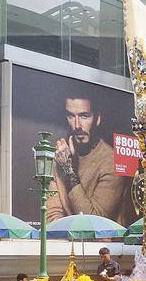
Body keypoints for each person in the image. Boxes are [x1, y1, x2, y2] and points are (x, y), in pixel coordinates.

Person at [46, 88, 132, 226]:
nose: (77, 125)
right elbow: (52, 217)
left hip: (105, 240)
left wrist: (69, 170)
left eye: (84, 116)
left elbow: (93, 222)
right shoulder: (60, 156)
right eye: (71, 116)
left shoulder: (112, 161)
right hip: (66, 239)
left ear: (97, 119)